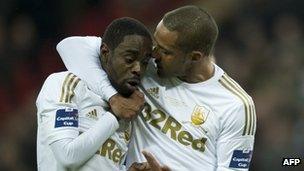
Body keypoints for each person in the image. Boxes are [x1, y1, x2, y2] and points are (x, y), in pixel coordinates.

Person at [57, 5, 256, 171]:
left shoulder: (236, 105)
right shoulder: (143, 67)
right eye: (156, 44)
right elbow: (69, 47)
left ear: (195, 57)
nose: (153, 54)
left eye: (166, 51)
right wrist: (113, 97)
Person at [36, 17, 153, 171]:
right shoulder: (66, 84)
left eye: (144, 62)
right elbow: (67, 157)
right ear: (105, 53)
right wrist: (113, 116)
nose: (138, 69)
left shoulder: (127, 111)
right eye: (129, 59)